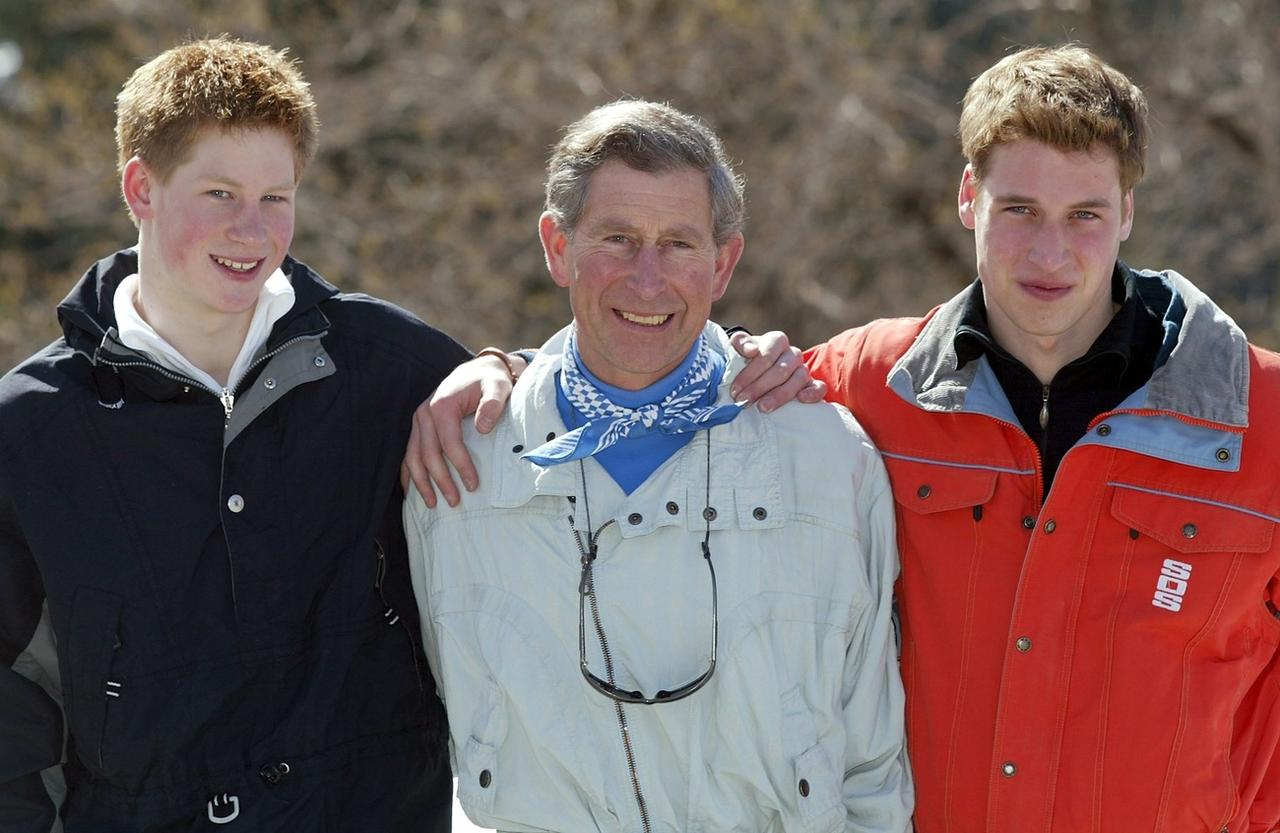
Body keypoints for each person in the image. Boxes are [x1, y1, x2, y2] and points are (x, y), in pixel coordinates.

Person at [408, 45, 1280, 831]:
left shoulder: (1263, 419)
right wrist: (506, 367)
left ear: (1128, 212)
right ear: (968, 199)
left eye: (1085, 213)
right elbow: (657, 359)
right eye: (1018, 207)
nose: (1049, 252)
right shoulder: (870, 384)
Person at [403, 99, 912, 832]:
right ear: (556, 245)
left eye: (678, 244)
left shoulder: (829, 459)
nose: (648, 279)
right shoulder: (458, 467)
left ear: (724, 262)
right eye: (617, 238)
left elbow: (873, 767)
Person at [0, 37, 466, 831]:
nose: (252, 231)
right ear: (140, 188)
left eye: (275, 197)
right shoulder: (31, 428)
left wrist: (506, 360)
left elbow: (569, 414)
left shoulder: (389, 366)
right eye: (219, 194)